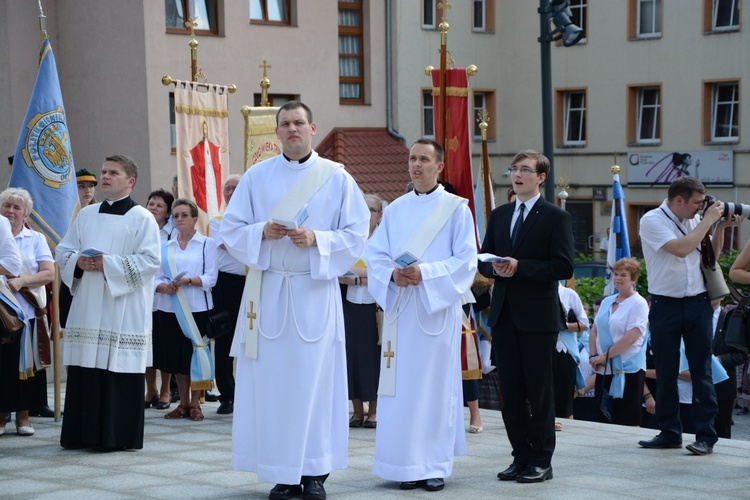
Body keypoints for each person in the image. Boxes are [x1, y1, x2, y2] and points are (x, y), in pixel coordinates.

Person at [221, 101, 369, 500]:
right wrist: (261, 233)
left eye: (298, 123)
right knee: (275, 384)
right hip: (269, 292)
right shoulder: (257, 176)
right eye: (284, 124)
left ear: (311, 127)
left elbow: (357, 234)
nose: (291, 129)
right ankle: (283, 473)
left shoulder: (336, 178)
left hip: (314, 293)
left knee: (315, 383)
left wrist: (317, 239)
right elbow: (230, 230)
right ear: (278, 131)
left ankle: (315, 472)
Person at [366, 138, 477, 492]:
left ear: (439, 167)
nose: (416, 165)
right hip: (401, 309)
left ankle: (433, 465)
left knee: (433, 388)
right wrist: (393, 275)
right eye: (412, 159)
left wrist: (425, 273)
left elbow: (466, 260)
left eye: (424, 159)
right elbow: (375, 255)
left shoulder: (457, 209)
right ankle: (403, 465)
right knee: (401, 390)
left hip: (434, 311)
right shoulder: (395, 209)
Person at [477, 149, 574, 483]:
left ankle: (541, 460)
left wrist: (521, 268)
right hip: (504, 315)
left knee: (539, 392)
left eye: (526, 170)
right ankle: (520, 456)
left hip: (538, 318)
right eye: (514, 169)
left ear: (541, 178)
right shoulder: (501, 214)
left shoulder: (554, 217)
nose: (517, 175)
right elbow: (482, 260)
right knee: (512, 394)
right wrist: (494, 267)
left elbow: (563, 266)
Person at [56, 154, 161, 450]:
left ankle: (116, 437)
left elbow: (151, 261)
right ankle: (80, 434)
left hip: (122, 307)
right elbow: (63, 251)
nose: (104, 177)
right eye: (103, 172)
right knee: (86, 369)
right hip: (88, 304)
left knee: (117, 369)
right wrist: (79, 262)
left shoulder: (142, 218)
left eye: (112, 173)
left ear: (130, 181)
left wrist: (108, 264)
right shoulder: (86, 215)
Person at [638, 175, 739, 455]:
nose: (700, 207)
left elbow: (710, 258)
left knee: (701, 371)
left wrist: (718, 227)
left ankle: (706, 435)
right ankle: (670, 432)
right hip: (665, 305)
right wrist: (707, 220)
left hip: (697, 304)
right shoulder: (652, 220)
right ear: (679, 200)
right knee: (668, 372)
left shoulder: (697, 219)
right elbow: (681, 250)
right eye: (696, 203)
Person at [154, 199, 218, 422]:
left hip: (197, 308)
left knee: (196, 353)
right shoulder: (165, 246)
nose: (179, 219)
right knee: (177, 357)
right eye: (175, 216)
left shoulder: (206, 244)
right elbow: (156, 276)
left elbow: (212, 277)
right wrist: (164, 286)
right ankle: (182, 403)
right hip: (170, 308)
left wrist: (188, 281)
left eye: (183, 215)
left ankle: (195, 404)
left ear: (194, 219)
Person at [0, 188, 45, 436]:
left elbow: (48, 272)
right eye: (7, 206)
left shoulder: (36, 239)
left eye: (17, 208)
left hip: (25, 314)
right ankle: (0, 419)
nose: (11, 211)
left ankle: (23, 418)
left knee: (23, 369)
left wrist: (22, 281)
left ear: (26, 215)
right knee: (3, 368)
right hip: (0, 314)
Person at [340, 193, 384, 429]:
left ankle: (374, 411)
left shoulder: (382, 240)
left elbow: (385, 269)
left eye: (372, 210)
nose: (368, 214)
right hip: (349, 303)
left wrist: (358, 278)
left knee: (372, 358)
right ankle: (357, 411)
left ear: (379, 216)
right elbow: (338, 264)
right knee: (352, 357)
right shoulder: (352, 238)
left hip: (374, 306)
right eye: (363, 208)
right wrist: (357, 276)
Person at [589, 258, 649, 426]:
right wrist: (594, 355)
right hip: (603, 369)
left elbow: (631, 337)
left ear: (633, 279)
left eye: (623, 275)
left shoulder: (639, 303)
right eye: (616, 274)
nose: (618, 278)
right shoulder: (607, 301)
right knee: (603, 418)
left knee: (627, 418)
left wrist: (604, 357)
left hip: (627, 369)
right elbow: (594, 330)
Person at [208, 174, 243, 415]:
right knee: (224, 340)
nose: (230, 192)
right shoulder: (219, 220)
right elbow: (227, 245)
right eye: (227, 188)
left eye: (236, 188)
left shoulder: (256, 218)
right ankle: (227, 395)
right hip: (227, 283)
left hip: (254, 281)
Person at [144, 189, 176, 410]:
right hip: (143, 297)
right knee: (146, 345)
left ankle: (165, 390)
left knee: (164, 345)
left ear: (167, 212)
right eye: (151, 203)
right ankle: (150, 389)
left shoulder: (173, 234)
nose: (153, 208)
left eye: (159, 205)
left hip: (165, 296)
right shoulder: (140, 228)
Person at [554, 282, 589, 429]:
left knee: (565, 397)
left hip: (565, 351)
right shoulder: (534, 292)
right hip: (542, 349)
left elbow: (584, 324)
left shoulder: (569, 294)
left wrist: (561, 325)